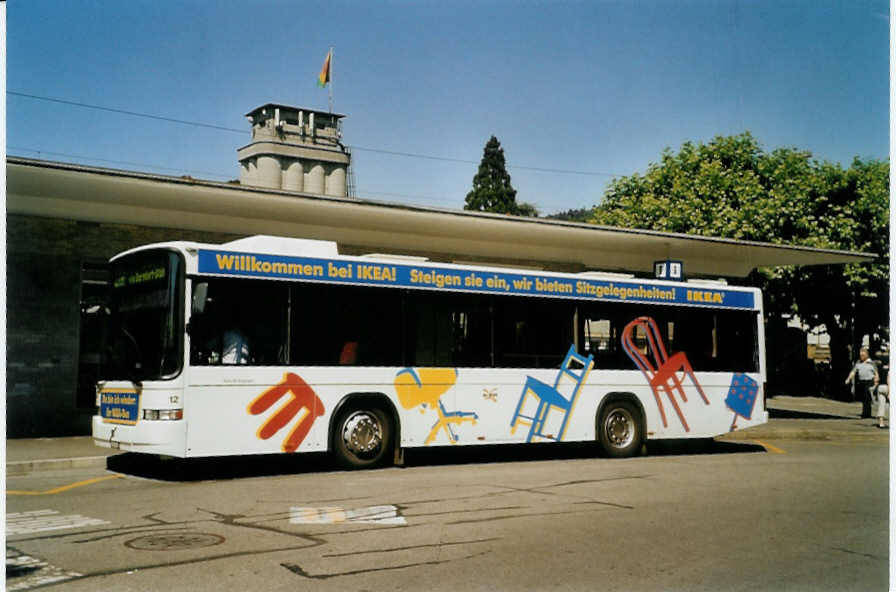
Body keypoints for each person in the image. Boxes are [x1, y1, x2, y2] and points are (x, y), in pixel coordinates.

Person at [844, 348, 879, 419]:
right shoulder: (858, 362)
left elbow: (876, 374)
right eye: (861, 355)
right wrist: (848, 379)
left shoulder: (872, 363)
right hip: (861, 382)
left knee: (867, 397)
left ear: (867, 355)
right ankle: (866, 412)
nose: (861, 356)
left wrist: (876, 382)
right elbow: (853, 372)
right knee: (864, 398)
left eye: (863, 355)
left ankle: (866, 414)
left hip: (869, 381)